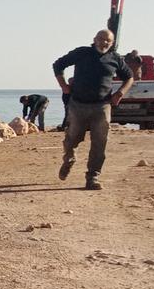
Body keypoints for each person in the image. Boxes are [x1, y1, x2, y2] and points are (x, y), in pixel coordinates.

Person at [53, 29, 134, 190]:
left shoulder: (115, 58)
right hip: (78, 105)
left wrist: (120, 93)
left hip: (102, 106)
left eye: (108, 40)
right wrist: (63, 86)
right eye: (101, 38)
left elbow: (129, 77)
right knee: (72, 139)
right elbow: (58, 65)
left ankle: (93, 177)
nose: (104, 42)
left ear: (112, 43)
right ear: (95, 39)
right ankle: (69, 160)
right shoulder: (82, 53)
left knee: (99, 143)